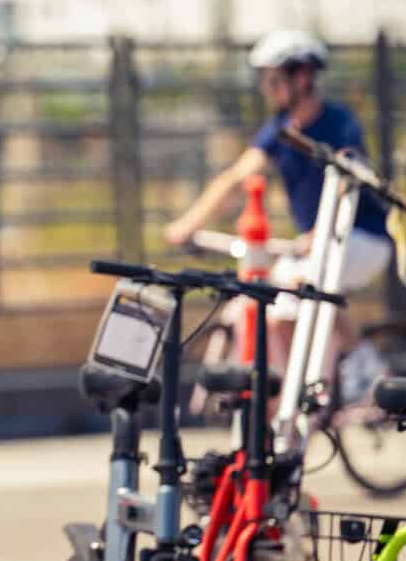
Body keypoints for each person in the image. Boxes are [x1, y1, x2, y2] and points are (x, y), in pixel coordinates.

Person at [164, 29, 393, 376]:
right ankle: (294, 396)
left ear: (301, 77)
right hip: (315, 247)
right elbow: (237, 177)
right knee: (274, 310)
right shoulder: (279, 129)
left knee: (308, 280)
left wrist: (321, 232)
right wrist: (189, 225)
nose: (265, 88)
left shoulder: (339, 123)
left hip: (364, 239)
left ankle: (367, 372)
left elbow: (351, 180)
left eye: (272, 80)